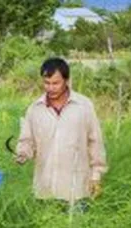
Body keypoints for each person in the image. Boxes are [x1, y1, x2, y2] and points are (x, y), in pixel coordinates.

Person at [14, 58, 108, 212]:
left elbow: (95, 142)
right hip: (45, 190)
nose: (50, 88)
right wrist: (23, 153)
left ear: (67, 80)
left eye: (55, 83)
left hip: (76, 190)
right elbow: (27, 140)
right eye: (46, 83)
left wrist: (96, 176)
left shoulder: (84, 106)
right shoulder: (35, 109)